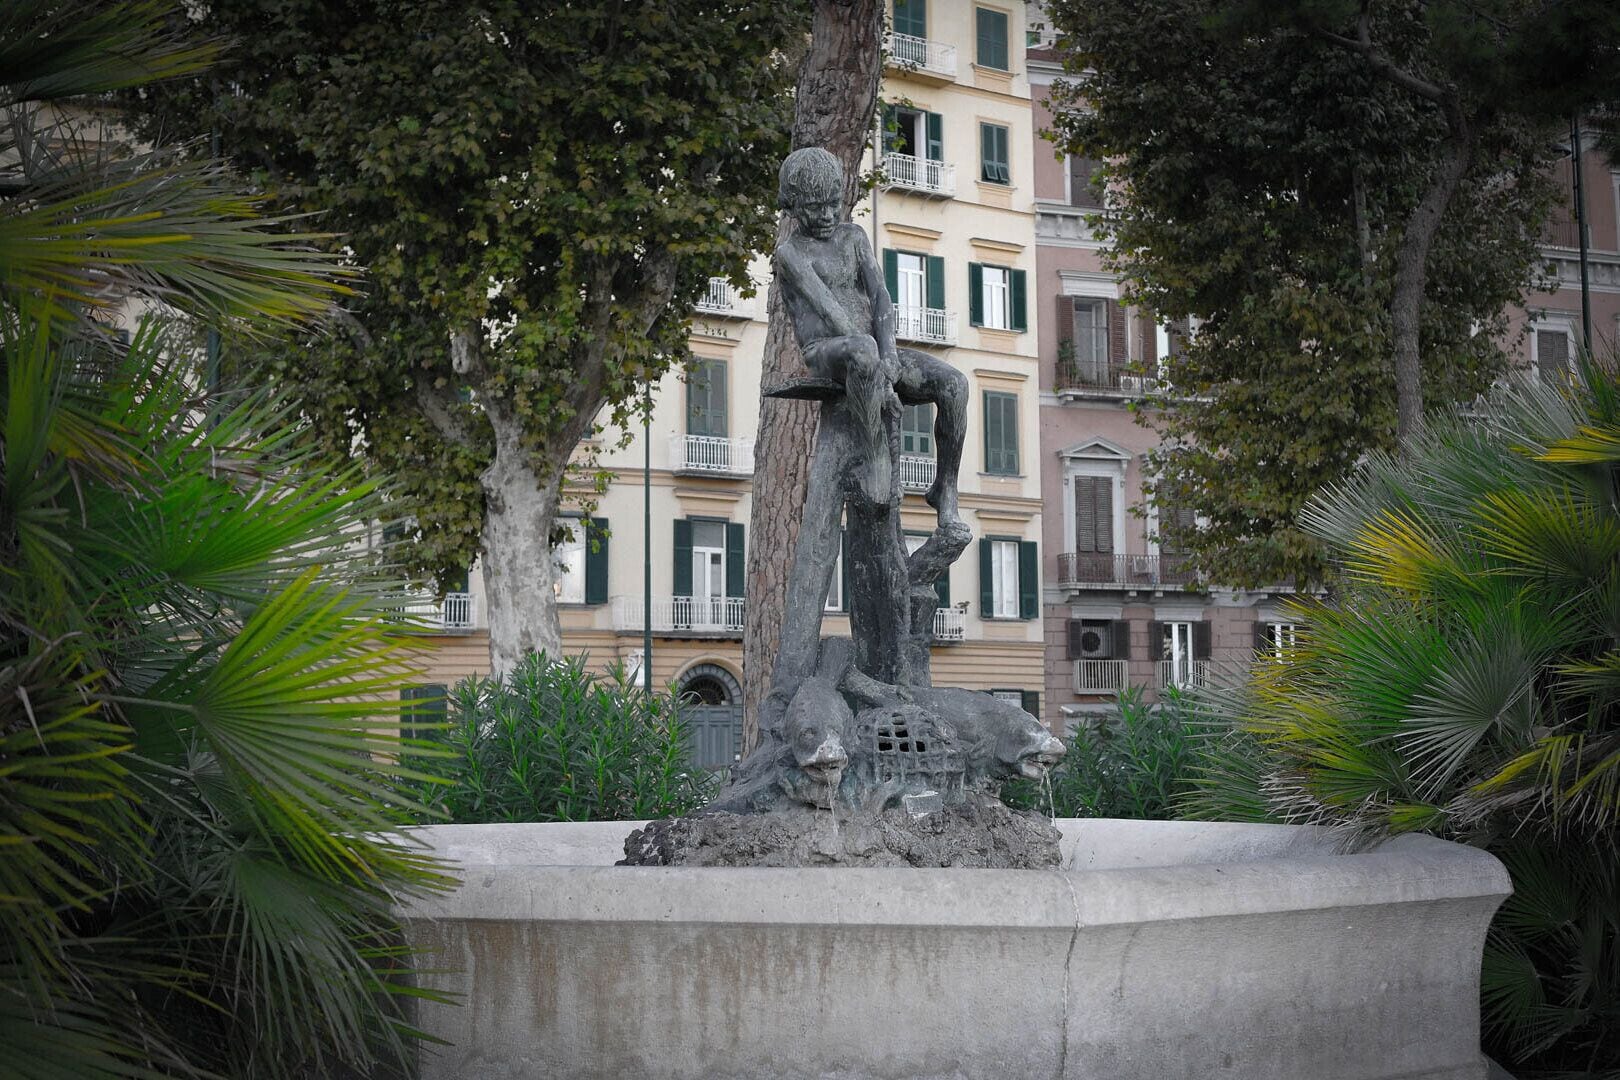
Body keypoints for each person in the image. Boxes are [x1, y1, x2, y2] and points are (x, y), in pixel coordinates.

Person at [774, 147, 965, 526]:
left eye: (833, 204)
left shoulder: (854, 237)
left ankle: (945, 486)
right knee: (861, 349)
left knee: (955, 385)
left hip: (873, 347)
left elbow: (880, 295)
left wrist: (890, 356)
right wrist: (878, 368)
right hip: (827, 351)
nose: (827, 215)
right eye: (815, 208)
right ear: (792, 206)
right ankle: (875, 454)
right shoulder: (790, 253)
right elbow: (828, 308)